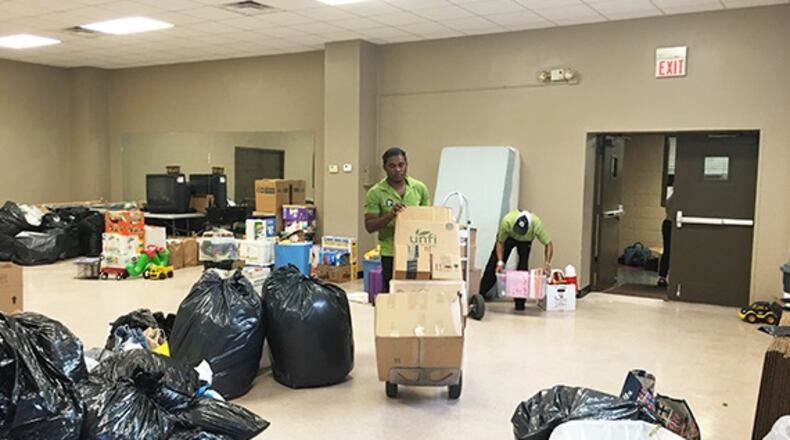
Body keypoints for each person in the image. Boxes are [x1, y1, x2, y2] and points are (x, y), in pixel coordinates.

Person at [364, 147, 431, 292]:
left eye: (401, 165)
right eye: (392, 166)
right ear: (385, 168)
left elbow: (428, 219)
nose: (397, 170)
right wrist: (390, 215)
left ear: (407, 165)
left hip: (415, 251)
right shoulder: (375, 193)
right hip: (390, 252)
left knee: (415, 293)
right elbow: (369, 226)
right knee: (392, 294)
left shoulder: (419, 188)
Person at [479, 210, 554, 310]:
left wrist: (547, 263)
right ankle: (481, 293)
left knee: (522, 269)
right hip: (509, 238)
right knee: (494, 265)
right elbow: (500, 242)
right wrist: (500, 262)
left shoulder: (536, 224)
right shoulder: (507, 221)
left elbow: (548, 244)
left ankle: (520, 303)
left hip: (526, 241)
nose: (519, 234)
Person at [657, 193, 674, 287]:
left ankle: (662, 277)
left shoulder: (671, 197)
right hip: (671, 224)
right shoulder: (677, 197)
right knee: (669, 251)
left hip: (668, 223)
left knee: (667, 251)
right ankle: (664, 277)